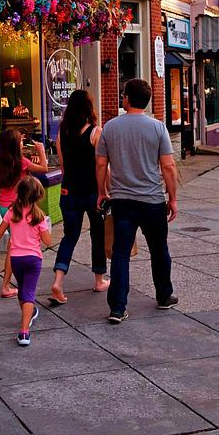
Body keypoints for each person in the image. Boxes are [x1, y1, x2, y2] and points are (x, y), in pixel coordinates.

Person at [95, 79, 179, 324]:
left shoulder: (110, 127)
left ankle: (118, 307)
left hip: (122, 201)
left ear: (127, 98)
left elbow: (100, 163)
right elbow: (168, 166)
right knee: (159, 249)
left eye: (123, 94)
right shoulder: (158, 128)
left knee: (120, 253)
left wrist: (102, 191)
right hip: (152, 200)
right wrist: (172, 197)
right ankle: (164, 295)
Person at [49, 90, 109, 306]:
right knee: (97, 235)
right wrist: (105, 191)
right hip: (92, 193)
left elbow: (63, 167)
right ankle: (99, 280)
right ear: (89, 108)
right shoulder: (96, 132)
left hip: (69, 192)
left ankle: (58, 282)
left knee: (69, 236)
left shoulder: (62, 132)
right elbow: (101, 166)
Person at [0, 177, 53, 346]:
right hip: (33, 259)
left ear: (19, 193)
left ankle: (29, 314)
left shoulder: (12, 212)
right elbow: (48, 241)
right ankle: (24, 332)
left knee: (22, 292)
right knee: (28, 293)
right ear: (38, 196)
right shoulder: (39, 217)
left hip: (16, 259)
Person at [0, 129, 48, 298]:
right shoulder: (22, 163)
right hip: (16, 208)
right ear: (14, 145)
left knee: (13, 245)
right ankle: (6, 286)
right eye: (20, 141)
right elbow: (44, 168)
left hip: (4, 207)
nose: (22, 143)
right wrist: (41, 150)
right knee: (15, 247)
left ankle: (11, 282)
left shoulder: (0, 162)